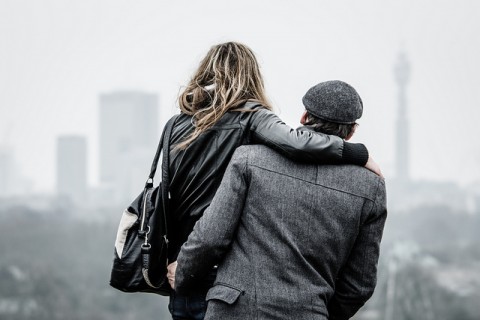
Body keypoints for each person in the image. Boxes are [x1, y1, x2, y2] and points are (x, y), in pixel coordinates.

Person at [165, 42, 381, 320]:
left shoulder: (185, 129)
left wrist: (182, 269)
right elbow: (359, 284)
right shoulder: (371, 186)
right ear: (352, 130)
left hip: (213, 291)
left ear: (304, 117)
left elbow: (202, 229)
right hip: (291, 305)